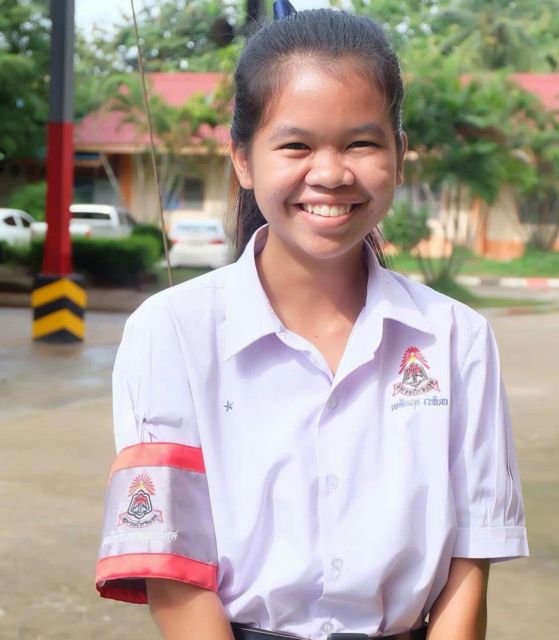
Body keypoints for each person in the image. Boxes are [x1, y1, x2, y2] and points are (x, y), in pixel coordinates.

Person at [95, 6, 529, 640]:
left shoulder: (455, 338)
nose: (329, 174)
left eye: (362, 143)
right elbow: (174, 568)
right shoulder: (171, 332)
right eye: (296, 145)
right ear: (243, 160)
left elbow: (470, 562)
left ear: (399, 156)